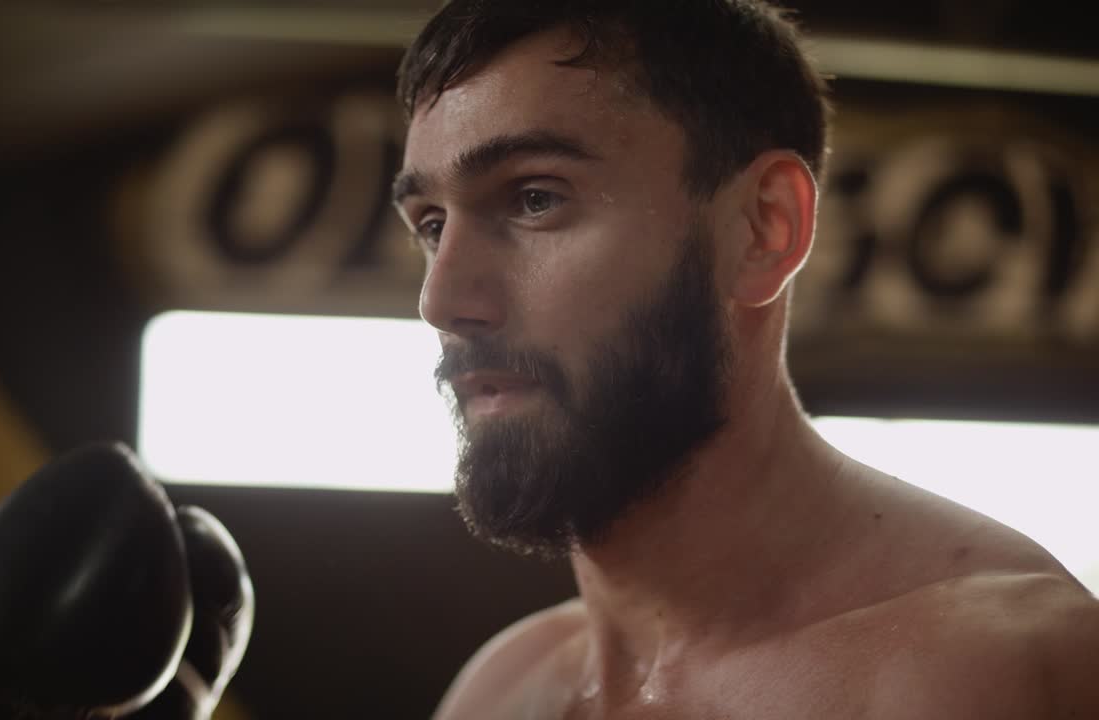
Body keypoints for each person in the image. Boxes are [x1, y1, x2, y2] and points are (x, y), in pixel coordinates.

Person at [390, 1, 1099, 717]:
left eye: (535, 198)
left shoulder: (1000, 669)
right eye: (433, 224)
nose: (440, 300)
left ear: (763, 228)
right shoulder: (501, 690)